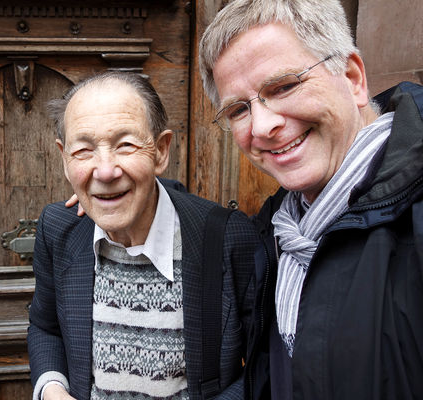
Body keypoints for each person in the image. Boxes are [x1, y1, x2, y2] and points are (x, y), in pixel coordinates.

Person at [198, 0, 423, 399]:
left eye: (284, 86)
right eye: (238, 110)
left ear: (352, 78)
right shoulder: (278, 233)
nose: (264, 126)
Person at [28, 71, 260, 400]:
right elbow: (44, 327)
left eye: (126, 145)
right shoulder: (60, 229)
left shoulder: (226, 237)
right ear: (65, 159)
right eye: (83, 151)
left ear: (161, 151)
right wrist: (52, 389)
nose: (105, 171)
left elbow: (263, 366)